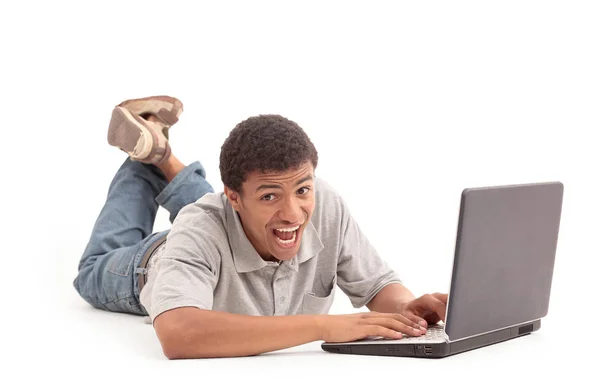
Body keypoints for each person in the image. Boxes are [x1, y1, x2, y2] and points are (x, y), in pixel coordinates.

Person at [73, 95, 448, 359]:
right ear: (232, 198)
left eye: (303, 189)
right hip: (150, 263)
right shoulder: (200, 229)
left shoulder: (323, 202)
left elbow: (378, 285)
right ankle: (147, 160)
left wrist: (407, 307)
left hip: (226, 227)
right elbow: (178, 334)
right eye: (271, 196)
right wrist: (324, 326)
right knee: (91, 271)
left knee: (236, 217)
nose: (294, 213)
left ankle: (164, 155)